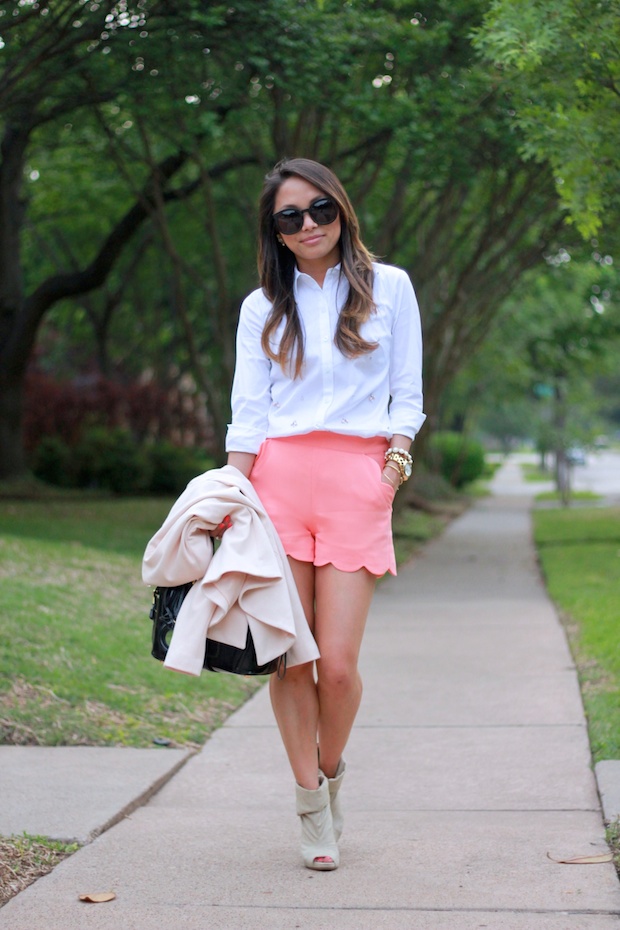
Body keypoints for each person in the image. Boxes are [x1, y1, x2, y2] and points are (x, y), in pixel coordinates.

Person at [225, 157, 425, 871]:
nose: (309, 225)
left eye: (320, 210)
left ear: (341, 211)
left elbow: (408, 397)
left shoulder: (390, 288)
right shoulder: (262, 308)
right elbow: (248, 412)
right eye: (291, 217)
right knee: (289, 662)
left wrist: (390, 473)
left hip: (357, 480)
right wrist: (228, 493)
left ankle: (331, 771)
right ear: (276, 233)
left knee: (336, 666)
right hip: (277, 481)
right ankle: (310, 806)